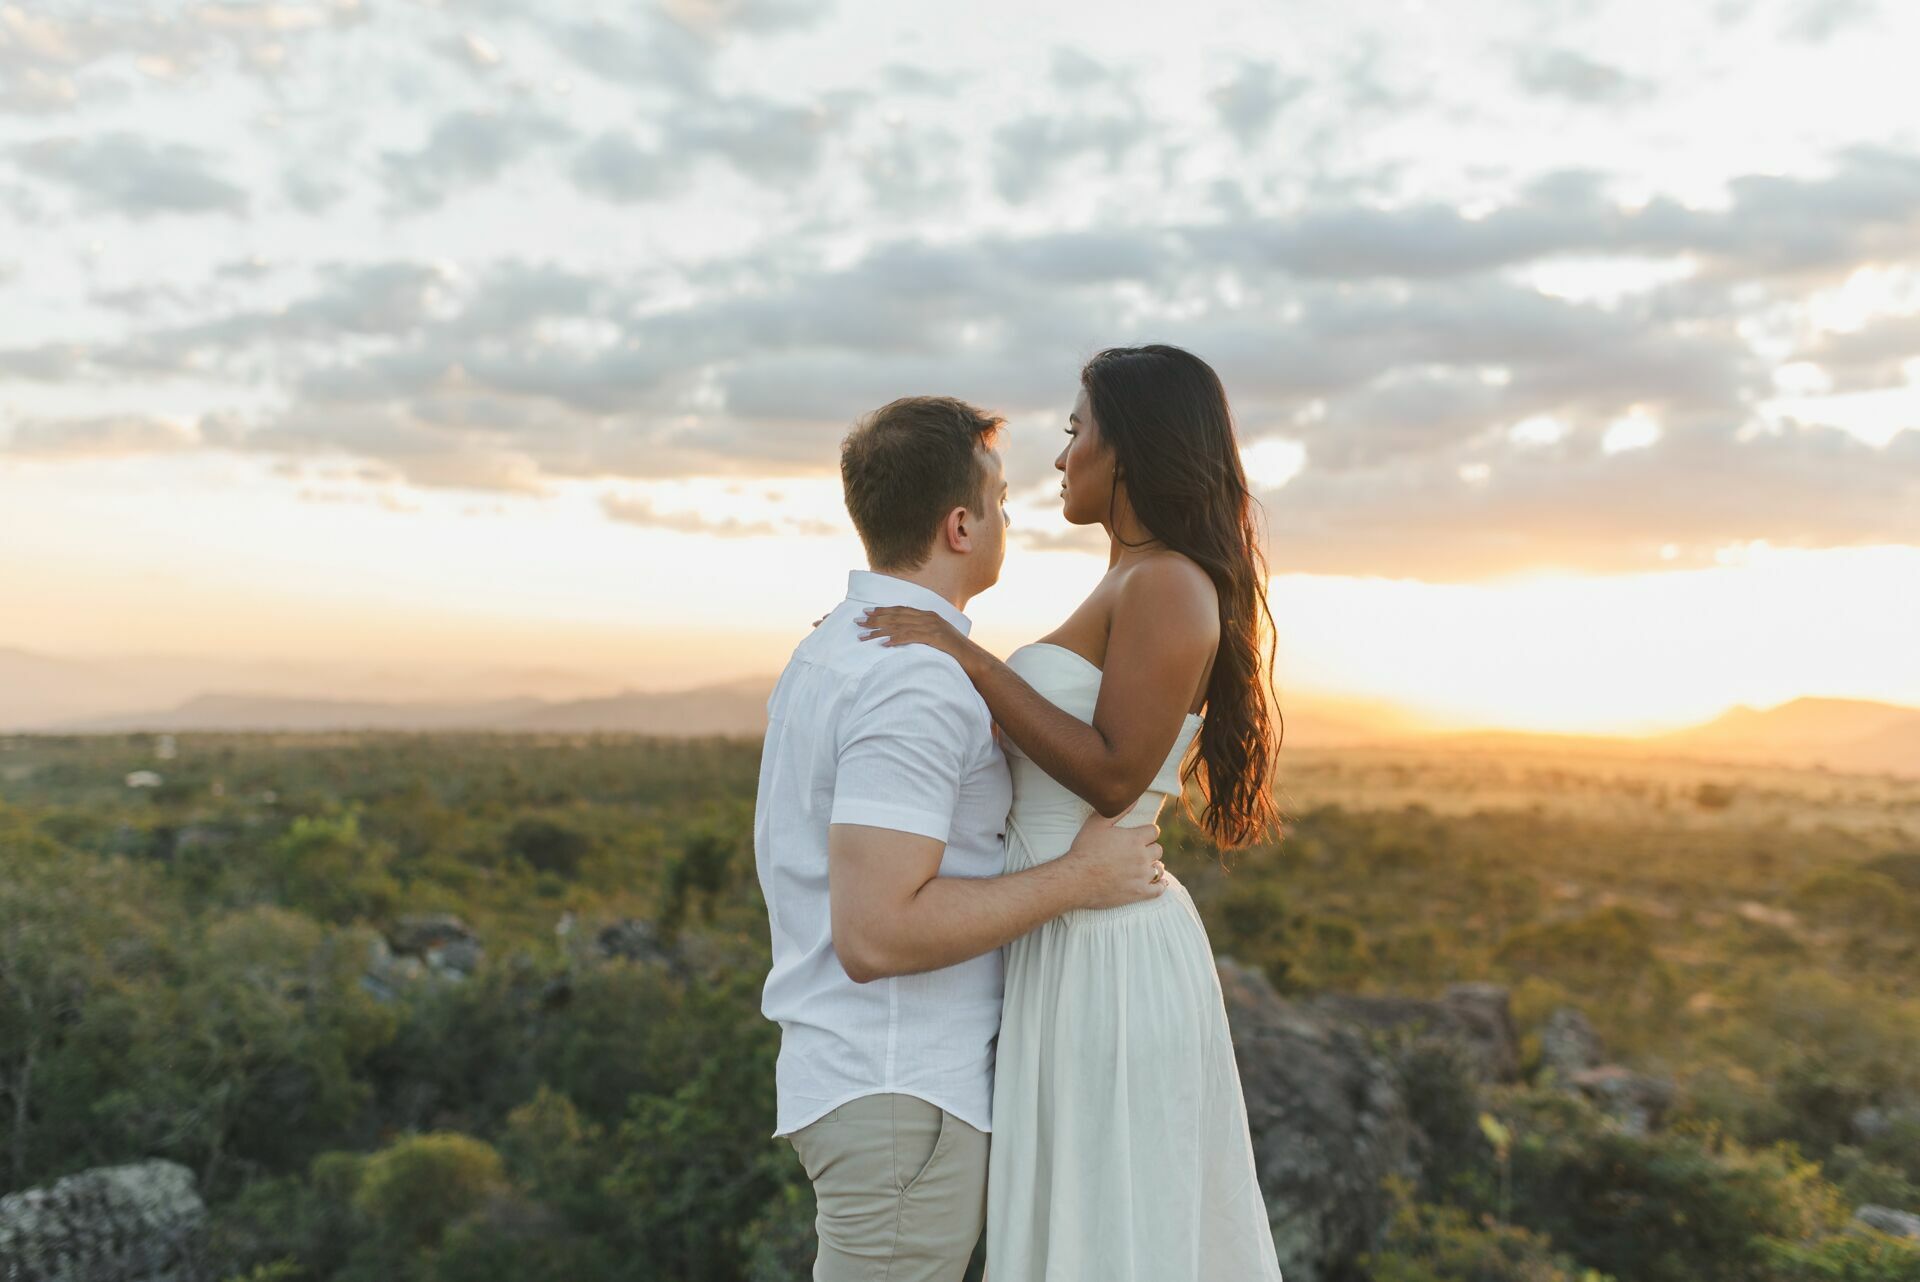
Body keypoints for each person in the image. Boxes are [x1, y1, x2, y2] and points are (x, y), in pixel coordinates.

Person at [857, 345, 1287, 1280]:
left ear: (1128, 446)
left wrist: (968, 659)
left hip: (1108, 947)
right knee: (1080, 1219)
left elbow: (1114, 775)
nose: (1060, 457)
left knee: (1111, 1229)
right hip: (1063, 927)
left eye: (1075, 431)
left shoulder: (1167, 582)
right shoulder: (1131, 578)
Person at [752, 394, 1170, 1282]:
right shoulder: (913, 678)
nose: (1009, 517)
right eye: (1001, 499)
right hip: (902, 1093)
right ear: (959, 526)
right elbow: (877, 934)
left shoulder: (834, 651)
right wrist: (1081, 879)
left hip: (875, 1090)